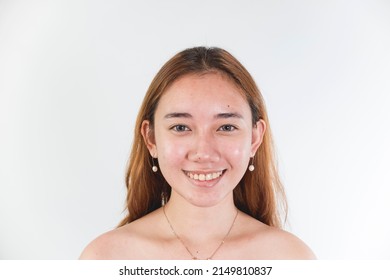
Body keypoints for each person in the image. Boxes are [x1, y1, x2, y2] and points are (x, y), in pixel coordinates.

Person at [80, 46, 315, 260]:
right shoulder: (103, 258)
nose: (203, 153)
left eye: (226, 127)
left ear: (254, 138)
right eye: (181, 127)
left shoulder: (292, 259)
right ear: (151, 138)